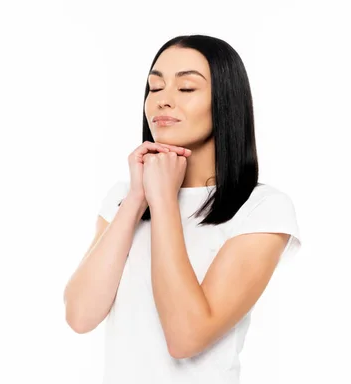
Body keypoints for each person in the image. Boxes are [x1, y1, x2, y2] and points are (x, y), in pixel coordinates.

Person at [63, 34, 302, 384]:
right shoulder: (122, 198)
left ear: (226, 102)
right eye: (155, 87)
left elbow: (186, 337)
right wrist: (136, 199)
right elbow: (80, 316)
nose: (163, 101)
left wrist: (163, 203)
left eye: (186, 88)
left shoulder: (262, 209)